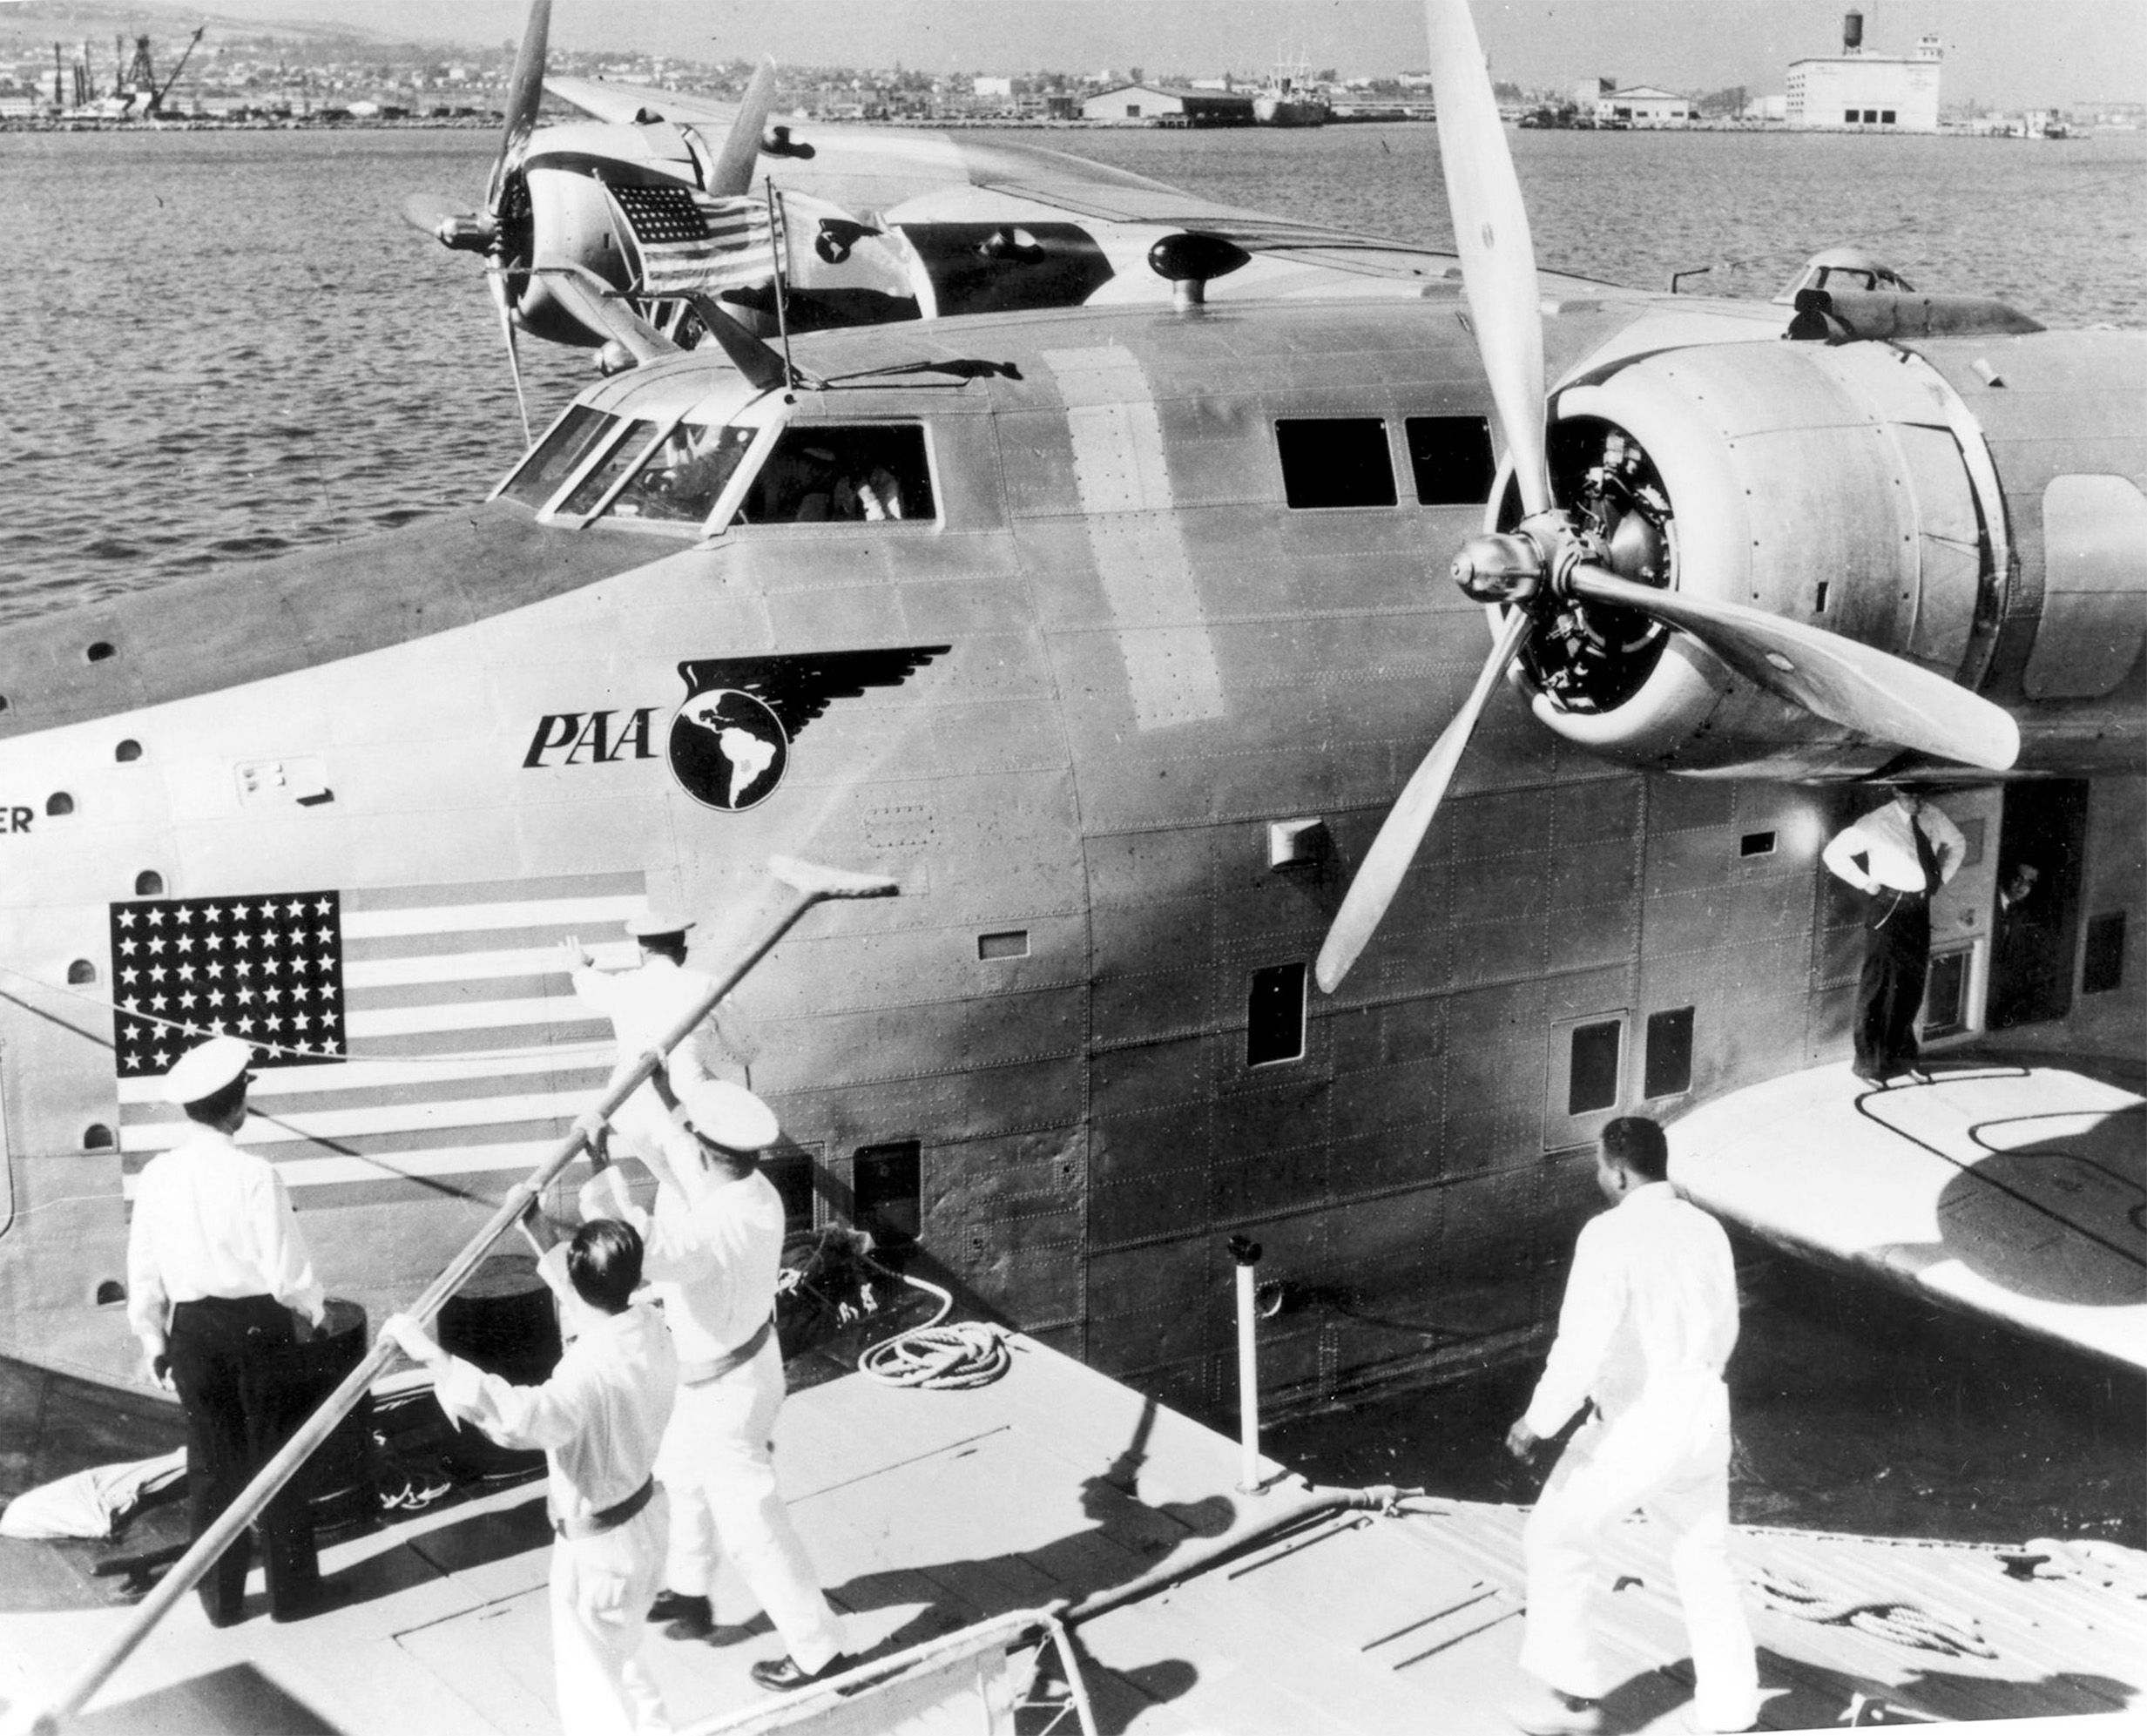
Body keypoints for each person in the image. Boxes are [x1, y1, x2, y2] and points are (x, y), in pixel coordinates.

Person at [580, 1077, 851, 1692]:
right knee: (682, 1472)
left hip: (724, 1393)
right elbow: (688, 1159)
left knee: (752, 1528)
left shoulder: (708, 1234)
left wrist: (599, 1163)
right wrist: (663, 1100)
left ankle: (820, 1651)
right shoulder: (754, 1191)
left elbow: (627, 1250)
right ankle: (691, 1590)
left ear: (709, 1151)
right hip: (739, 1367)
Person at [1503, 1117, 1759, 1736]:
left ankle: (1569, 1701)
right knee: (1703, 1563)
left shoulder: (1607, 1232)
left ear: (1618, 1171)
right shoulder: (1707, 1228)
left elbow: (1581, 1344)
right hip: (1702, 1417)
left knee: (1556, 1536)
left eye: (1599, 1165)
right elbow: (1726, 1326)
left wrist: (1536, 1421)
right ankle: (1732, 1712)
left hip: (1637, 1426)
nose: (1598, 1176)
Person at [383, 1218, 678, 1736]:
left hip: (598, 1554)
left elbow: (517, 1418)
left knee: (594, 1697)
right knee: (625, 1664)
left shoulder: (586, 1370)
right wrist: (538, 1230)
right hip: (646, 1524)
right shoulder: (651, 1325)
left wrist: (431, 1354)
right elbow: (592, 1302)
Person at [125, 1033, 328, 1626]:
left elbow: (145, 1267)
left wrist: (154, 1341)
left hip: (192, 1331)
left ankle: (221, 1599)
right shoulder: (256, 1174)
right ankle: (294, 1597)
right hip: (257, 1329)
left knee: (212, 1466)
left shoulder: (158, 1175)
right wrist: (315, 1311)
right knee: (279, 1460)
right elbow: (286, 1270)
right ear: (237, 1100)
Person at [564, 912, 754, 1177]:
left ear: (643, 951)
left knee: (672, 1186)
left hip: (630, 1111)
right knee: (701, 1187)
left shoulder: (621, 986)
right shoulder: (707, 985)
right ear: (683, 951)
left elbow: (589, 984)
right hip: (681, 1109)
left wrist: (579, 967)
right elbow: (746, 1051)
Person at [1821, 789, 1967, 1084]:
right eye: (1911, 794)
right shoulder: (1875, 823)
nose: (1918, 799)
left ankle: (1902, 1058)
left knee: (1911, 984)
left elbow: (1958, 843)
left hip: (1919, 907)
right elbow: (1833, 854)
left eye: (1920, 793)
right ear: (1897, 792)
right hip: (1890, 907)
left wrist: (1939, 880)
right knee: (1879, 987)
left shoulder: (1932, 816)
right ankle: (1869, 1065)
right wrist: (1866, 883)